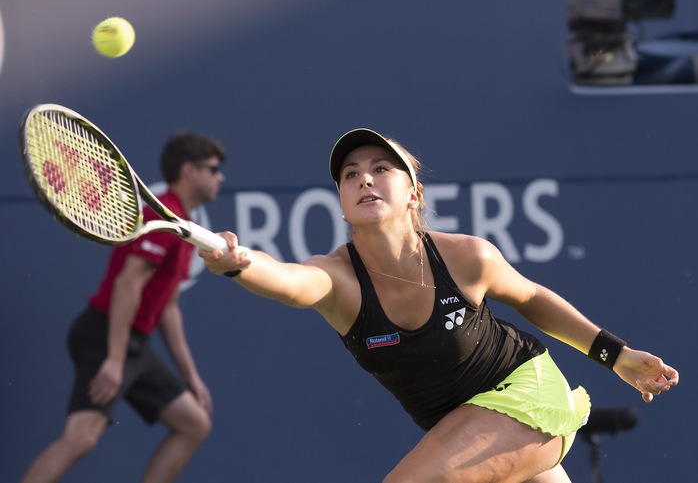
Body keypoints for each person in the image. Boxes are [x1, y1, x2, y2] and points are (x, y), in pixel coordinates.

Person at [198, 128, 679, 483]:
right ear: (342, 203)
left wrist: (615, 355)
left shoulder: (468, 257)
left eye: (381, 169)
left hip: (529, 397)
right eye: (351, 175)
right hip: (472, 432)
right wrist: (238, 263)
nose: (365, 179)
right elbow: (284, 279)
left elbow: (531, 298)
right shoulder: (338, 280)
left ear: (413, 194)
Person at [21, 131, 227, 483]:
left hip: (133, 344)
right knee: (81, 439)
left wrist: (191, 376)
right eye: (213, 169)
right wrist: (114, 359)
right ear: (189, 171)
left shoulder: (181, 225)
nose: (220, 177)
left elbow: (168, 307)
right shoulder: (163, 217)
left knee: (193, 424)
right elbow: (127, 284)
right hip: (105, 335)